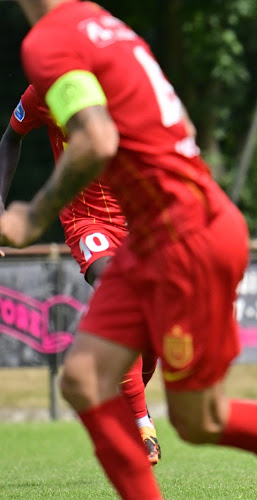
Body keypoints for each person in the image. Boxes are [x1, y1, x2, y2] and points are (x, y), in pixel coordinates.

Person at [2, 2, 257, 499]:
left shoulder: (49, 40)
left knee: (200, 419)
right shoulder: (101, 27)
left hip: (186, 234)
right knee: (82, 378)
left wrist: (28, 217)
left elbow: (96, 140)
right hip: (161, 233)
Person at [0, 84, 162, 466]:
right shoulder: (43, 91)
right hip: (87, 221)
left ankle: (125, 409)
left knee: (151, 329)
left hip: (139, 221)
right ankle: (142, 425)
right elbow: (10, 140)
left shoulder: (124, 79)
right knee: (115, 292)